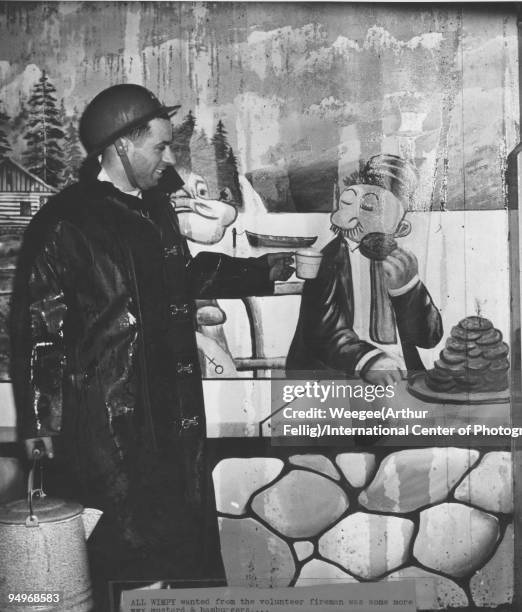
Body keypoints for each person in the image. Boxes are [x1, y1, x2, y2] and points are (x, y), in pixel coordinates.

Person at [9, 83, 294, 611]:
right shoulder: (65, 221)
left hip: (174, 419)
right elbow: (38, 330)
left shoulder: (157, 208)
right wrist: (41, 423)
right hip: (109, 428)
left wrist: (264, 269)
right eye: (160, 147)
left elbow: (178, 280)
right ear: (121, 146)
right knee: (122, 557)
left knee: (183, 555)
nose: (169, 159)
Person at [287, 154, 443, 385]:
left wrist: (409, 288)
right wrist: (367, 360)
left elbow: (428, 337)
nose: (353, 217)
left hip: (401, 377)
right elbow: (322, 331)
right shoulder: (329, 260)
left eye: (369, 208)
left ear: (400, 229)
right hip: (335, 376)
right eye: (348, 202)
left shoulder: (400, 263)